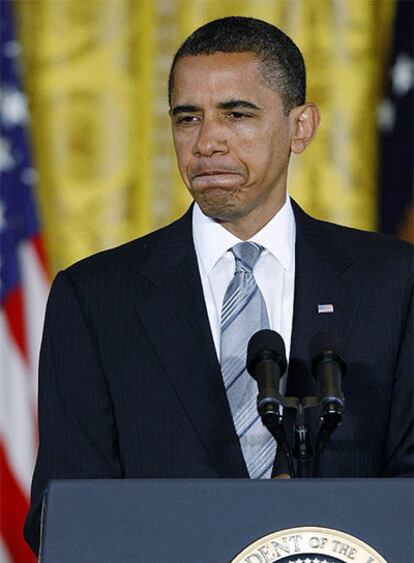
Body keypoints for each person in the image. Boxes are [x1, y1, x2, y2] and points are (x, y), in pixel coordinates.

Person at [24, 16, 413, 555]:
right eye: (188, 119)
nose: (207, 142)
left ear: (301, 127)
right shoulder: (94, 298)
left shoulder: (393, 282)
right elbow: (62, 510)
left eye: (237, 114)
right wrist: (224, 524)